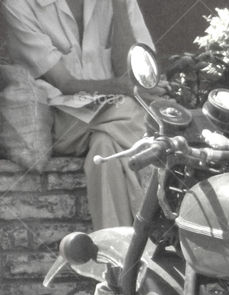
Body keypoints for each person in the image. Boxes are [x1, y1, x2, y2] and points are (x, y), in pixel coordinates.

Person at [2, 0, 153, 230]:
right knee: (134, 113)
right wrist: (125, 89)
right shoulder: (18, 3)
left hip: (110, 121)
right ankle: (158, 216)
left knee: (105, 150)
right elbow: (65, 83)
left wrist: (120, 7)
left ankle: (116, 255)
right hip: (60, 118)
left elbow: (132, 71)